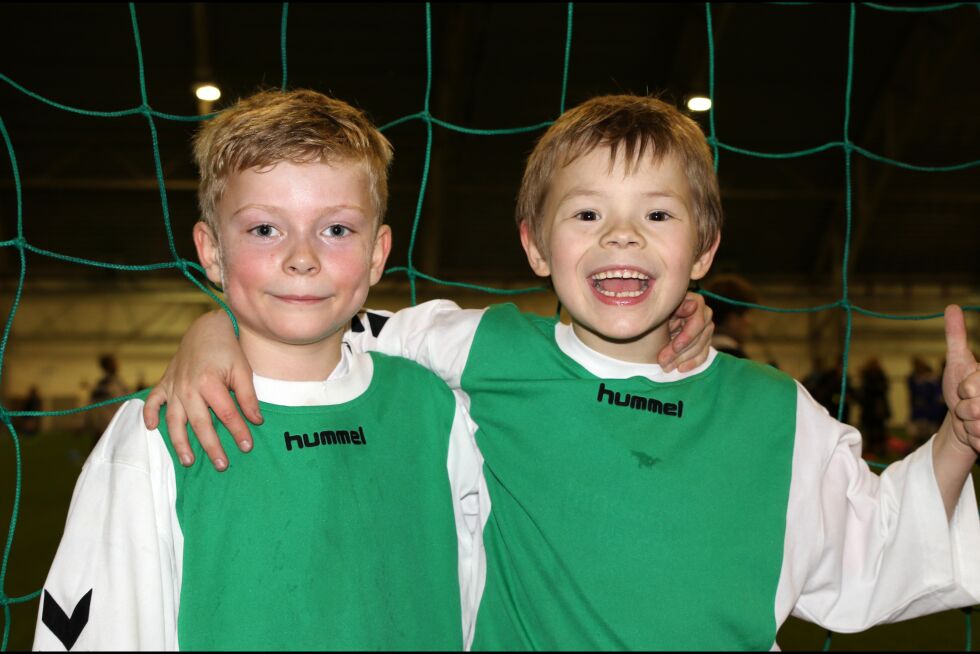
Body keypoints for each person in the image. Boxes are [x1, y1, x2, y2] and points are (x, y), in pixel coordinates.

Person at [144, 94, 980, 649]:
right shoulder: (484, 350)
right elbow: (322, 317)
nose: (622, 237)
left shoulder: (774, 414)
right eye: (587, 214)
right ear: (536, 245)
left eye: (658, 215)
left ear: (705, 248)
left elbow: (875, 548)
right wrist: (212, 327)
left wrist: (957, 439)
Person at [34, 89, 491, 651]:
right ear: (211, 252)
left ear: (377, 253)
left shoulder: (439, 413)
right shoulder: (156, 436)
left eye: (337, 230)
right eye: (264, 229)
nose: (303, 257)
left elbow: (475, 600)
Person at [702, 273, 758, 359]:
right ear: (732, 319)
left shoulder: (697, 353)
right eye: (746, 314)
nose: (749, 322)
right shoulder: (737, 359)